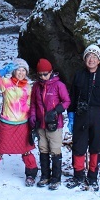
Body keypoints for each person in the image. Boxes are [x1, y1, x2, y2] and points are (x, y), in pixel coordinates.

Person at [0, 58, 38, 189]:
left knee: (26, 151)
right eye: (18, 69)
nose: (21, 72)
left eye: (23, 70)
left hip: (23, 124)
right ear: (13, 71)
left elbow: (30, 105)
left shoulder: (28, 87)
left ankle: (31, 174)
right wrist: (4, 70)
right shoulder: (6, 83)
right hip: (7, 124)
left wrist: (32, 121)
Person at [67, 44, 100, 190]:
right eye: (89, 56)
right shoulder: (79, 75)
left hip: (99, 116)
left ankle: (93, 177)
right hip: (81, 114)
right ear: (85, 59)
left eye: (94, 57)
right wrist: (71, 115)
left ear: (99, 60)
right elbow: (73, 96)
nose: (91, 59)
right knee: (78, 146)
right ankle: (78, 175)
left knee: (95, 147)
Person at [29, 58, 70, 190]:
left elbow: (66, 101)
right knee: (43, 148)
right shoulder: (36, 86)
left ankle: (56, 178)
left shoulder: (59, 85)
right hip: (41, 124)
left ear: (51, 72)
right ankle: (45, 175)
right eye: (40, 74)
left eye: (45, 74)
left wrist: (56, 111)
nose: (43, 77)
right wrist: (33, 116)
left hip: (54, 124)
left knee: (55, 149)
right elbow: (34, 104)